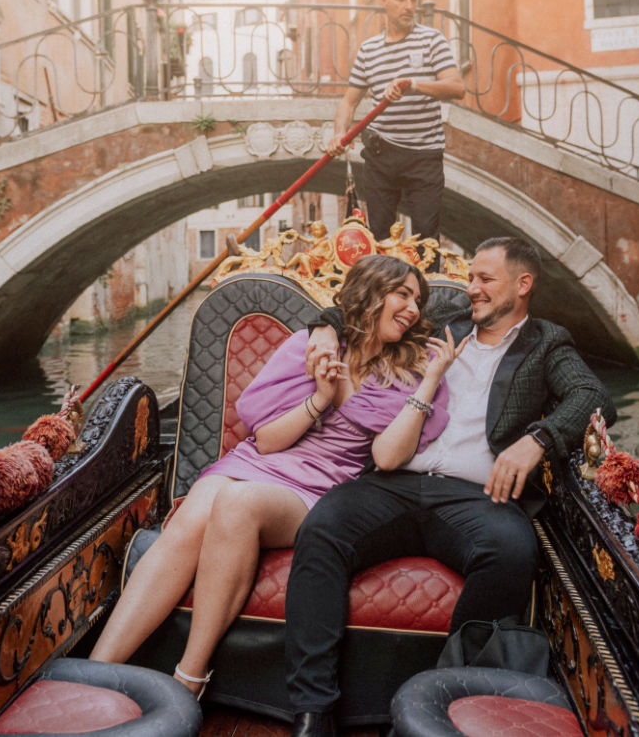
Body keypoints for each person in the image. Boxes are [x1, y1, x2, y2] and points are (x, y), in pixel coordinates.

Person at [284, 237, 617, 737]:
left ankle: (438, 705)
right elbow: (359, 305)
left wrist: (538, 440)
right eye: (471, 277)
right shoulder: (445, 318)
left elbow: (593, 396)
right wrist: (325, 332)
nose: (472, 288)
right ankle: (313, 712)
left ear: (523, 285)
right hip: (395, 479)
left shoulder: (548, 342)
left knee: (510, 549)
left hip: (476, 497)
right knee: (323, 528)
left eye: (485, 279)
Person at [89, 255, 463, 698]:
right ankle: (96, 673)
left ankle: (189, 675)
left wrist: (378, 387)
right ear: (370, 293)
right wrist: (321, 398)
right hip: (259, 461)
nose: (414, 308)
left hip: (322, 488)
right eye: (402, 293)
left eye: (418, 299)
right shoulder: (314, 347)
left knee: (236, 503)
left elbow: (388, 455)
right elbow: (265, 441)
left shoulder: (410, 371)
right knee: (192, 517)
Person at [325, 0, 465, 241]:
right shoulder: (369, 50)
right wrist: (339, 132)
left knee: (426, 241)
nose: (409, 6)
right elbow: (349, 101)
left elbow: (456, 87)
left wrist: (414, 85)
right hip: (382, 153)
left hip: (424, 154)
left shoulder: (432, 40)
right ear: (384, 2)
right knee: (379, 238)